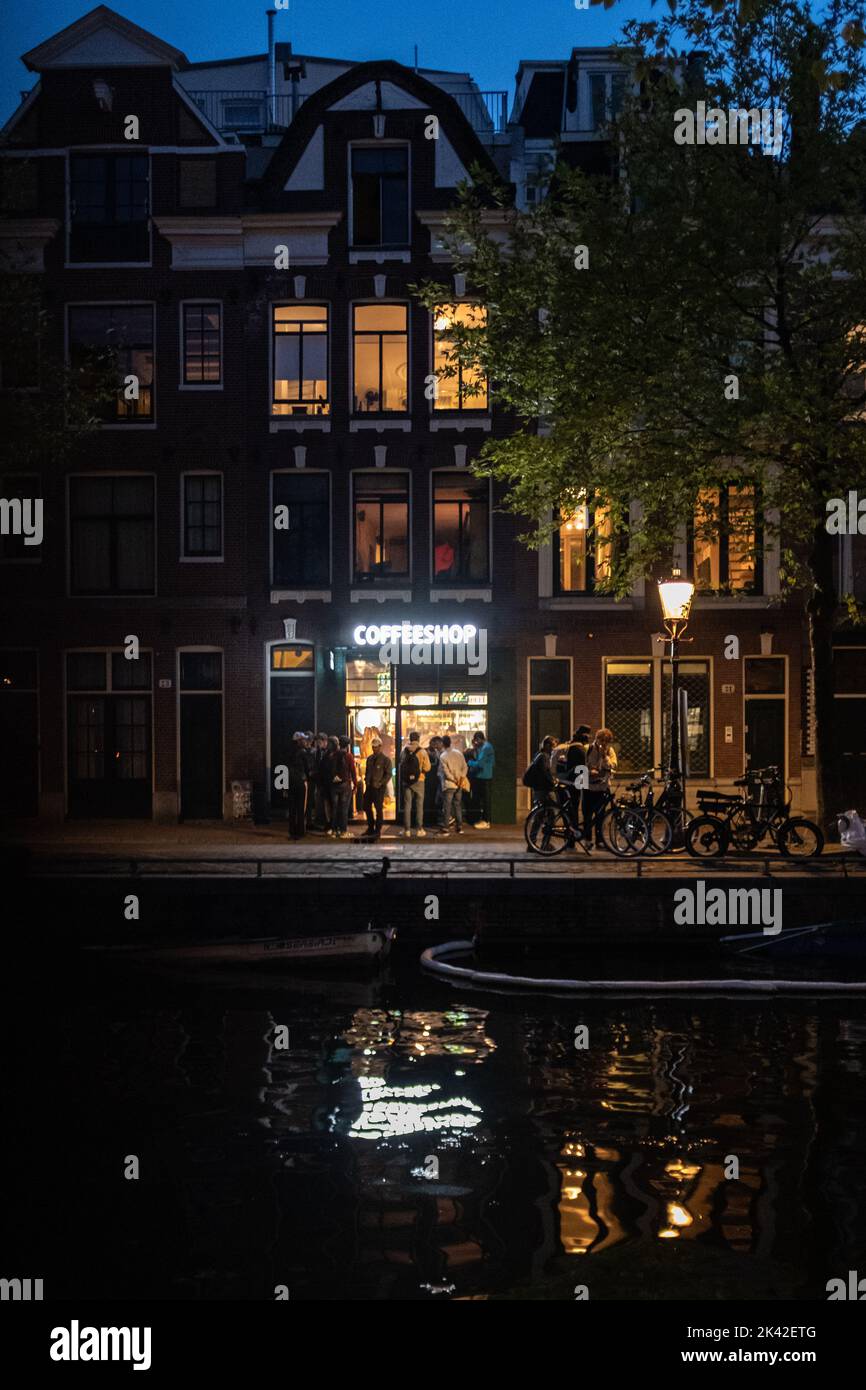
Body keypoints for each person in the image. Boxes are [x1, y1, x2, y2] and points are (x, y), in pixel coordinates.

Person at [584, 727, 618, 849]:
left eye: (606, 741)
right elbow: (581, 765)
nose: (604, 743)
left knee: (600, 816)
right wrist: (589, 771)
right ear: (596, 739)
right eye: (602, 740)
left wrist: (605, 757)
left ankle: (599, 841)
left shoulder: (610, 751)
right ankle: (587, 840)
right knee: (587, 815)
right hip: (588, 787)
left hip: (603, 787)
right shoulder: (587, 749)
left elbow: (613, 765)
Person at [400, 731, 430, 837]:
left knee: (407, 805)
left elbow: (401, 764)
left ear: (410, 739)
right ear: (418, 739)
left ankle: (407, 830)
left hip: (407, 782)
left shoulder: (404, 751)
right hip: (420, 780)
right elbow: (427, 767)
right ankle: (419, 829)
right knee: (419, 805)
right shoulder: (422, 752)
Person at [362, 736, 392, 840]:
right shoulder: (370, 759)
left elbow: (388, 774)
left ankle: (377, 830)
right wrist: (366, 780)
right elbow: (367, 771)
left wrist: (380, 783)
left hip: (379, 788)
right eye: (373, 747)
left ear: (380, 747)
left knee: (378, 809)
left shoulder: (385, 760)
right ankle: (370, 827)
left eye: (376, 747)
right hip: (369, 787)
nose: (374, 749)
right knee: (366, 807)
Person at [438, 734, 468, 835]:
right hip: (459, 784)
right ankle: (459, 827)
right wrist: (461, 779)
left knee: (447, 806)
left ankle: (446, 827)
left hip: (449, 784)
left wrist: (454, 780)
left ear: (443, 744)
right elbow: (465, 767)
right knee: (457, 805)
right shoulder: (459, 753)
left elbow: (446, 773)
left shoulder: (443, 756)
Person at [467, 730, 495, 828]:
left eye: (476, 741)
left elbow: (479, 763)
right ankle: (483, 820)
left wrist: (470, 763)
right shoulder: (485, 746)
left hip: (483, 776)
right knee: (483, 800)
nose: (475, 742)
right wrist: (475, 747)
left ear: (479, 739)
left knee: (484, 800)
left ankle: (486, 821)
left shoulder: (486, 748)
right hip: (484, 776)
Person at [285, 731, 309, 841]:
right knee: (300, 808)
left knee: (292, 808)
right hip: (300, 781)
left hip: (290, 782)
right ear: (299, 741)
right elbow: (307, 768)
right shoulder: (303, 753)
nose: (305, 741)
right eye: (303, 740)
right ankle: (300, 831)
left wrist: (284, 785)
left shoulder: (288, 752)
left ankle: (292, 831)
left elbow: (284, 769)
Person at [424, 735, 444, 828]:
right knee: (428, 799)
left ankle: (434, 819)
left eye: (436, 744)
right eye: (434, 743)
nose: (435, 745)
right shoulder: (425, 752)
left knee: (435, 800)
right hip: (428, 780)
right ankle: (428, 819)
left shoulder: (438, 753)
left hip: (436, 781)